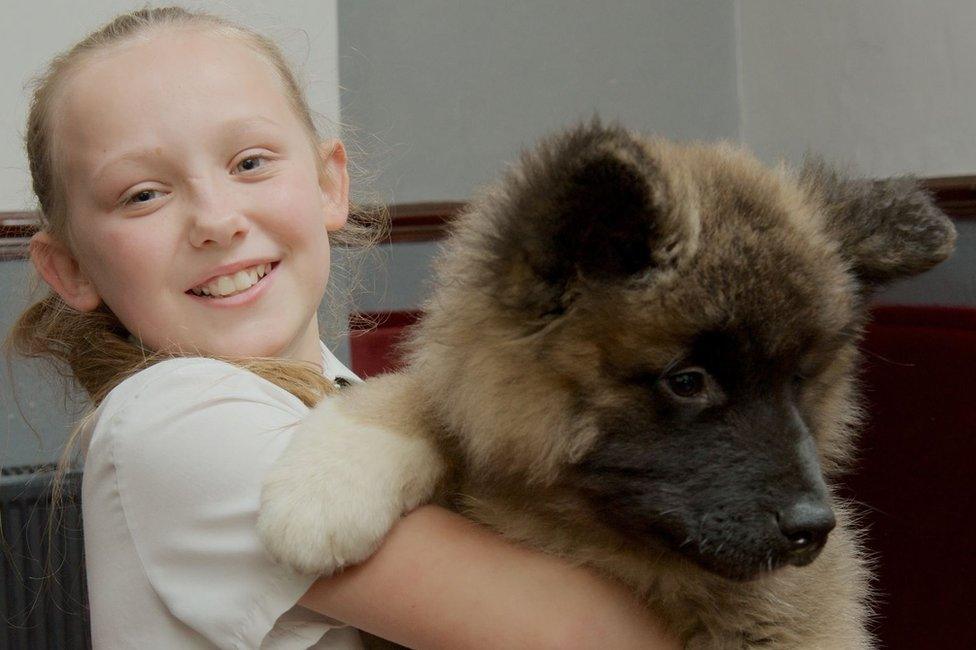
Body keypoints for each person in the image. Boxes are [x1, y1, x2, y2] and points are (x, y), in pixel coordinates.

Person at [5, 6, 680, 649]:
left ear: (329, 183)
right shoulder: (174, 419)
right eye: (143, 195)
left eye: (249, 163)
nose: (216, 220)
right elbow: (585, 636)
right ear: (70, 268)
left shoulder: (341, 397)